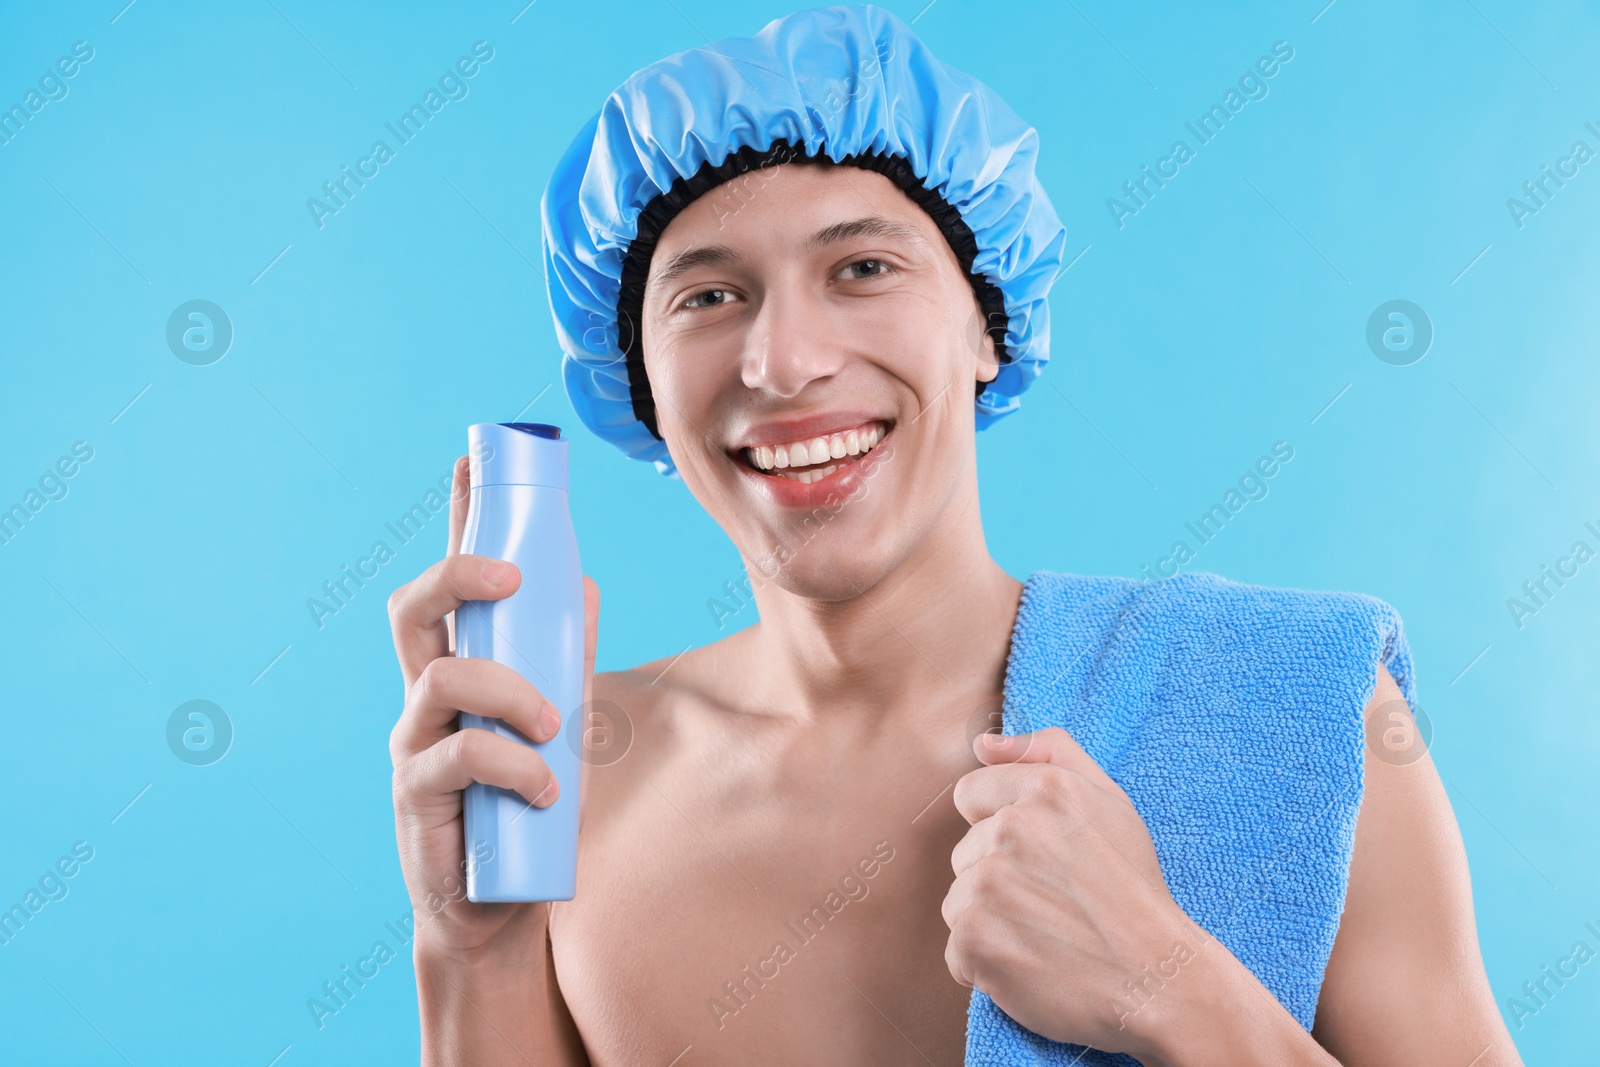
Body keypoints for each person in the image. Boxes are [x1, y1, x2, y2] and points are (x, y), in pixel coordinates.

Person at [386, 6, 1519, 1065]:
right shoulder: (560, 781)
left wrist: (1171, 985)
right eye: (707, 296)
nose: (783, 362)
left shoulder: (1300, 708)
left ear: (987, 324)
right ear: (637, 385)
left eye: (862, 268)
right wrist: (468, 945)